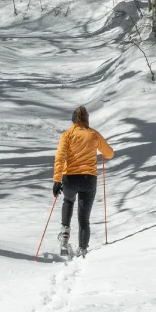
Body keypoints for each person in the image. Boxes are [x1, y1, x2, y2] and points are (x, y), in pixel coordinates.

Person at [53, 105, 113, 258]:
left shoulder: (67, 135)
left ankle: (65, 232)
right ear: (87, 119)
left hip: (69, 178)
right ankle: (83, 249)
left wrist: (56, 180)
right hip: (89, 179)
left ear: (73, 119)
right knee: (84, 218)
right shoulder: (93, 134)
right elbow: (109, 153)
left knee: (68, 200)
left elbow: (59, 157)